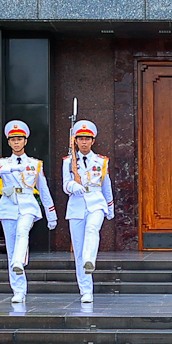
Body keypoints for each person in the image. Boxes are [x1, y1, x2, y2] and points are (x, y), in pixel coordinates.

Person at [0, 120, 56, 304]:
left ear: (25, 141)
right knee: (11, 247)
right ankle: (19, 290)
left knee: (23, 232)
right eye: (13, 139)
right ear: (8, 142)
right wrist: (9, 168)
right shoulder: (2, 163)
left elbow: (44, 190)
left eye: (19, 139)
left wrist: (51, 214)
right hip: (9, 205)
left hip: (28, 204)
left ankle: (19, 262)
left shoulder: (35, 164)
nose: (16, 142)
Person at [61, 119, 114, 305]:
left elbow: (106, 185)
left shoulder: (101, 161)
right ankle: (86, 291)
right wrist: (72, 185)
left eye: (87, 138)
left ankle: (90, 260)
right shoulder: (68, 161)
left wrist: (110, 207)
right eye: (80, 138)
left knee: (92, 229)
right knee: (78, 252)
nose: (84, 142)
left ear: (93, 141)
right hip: (76, 206)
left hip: (96, 203)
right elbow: (65, 185)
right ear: (75, 141)